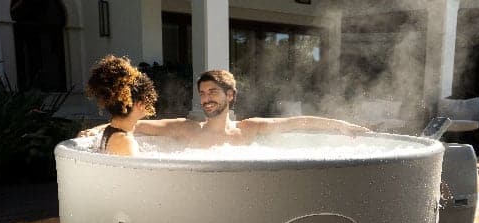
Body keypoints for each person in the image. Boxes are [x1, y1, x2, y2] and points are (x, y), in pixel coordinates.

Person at [79, 68, 369, 147]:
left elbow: (298, 122)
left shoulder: (249, 129)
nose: (206, 98)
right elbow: (135, 125)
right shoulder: (187, 129)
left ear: (230, 96)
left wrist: (341, 126)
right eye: (202, 93)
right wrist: (94, 130)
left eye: (213, 92)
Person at [85, 54, 158, 156]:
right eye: (149, 99)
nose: (151, 104)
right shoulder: (125, 142)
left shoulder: (110, 131)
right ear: (140, 104)